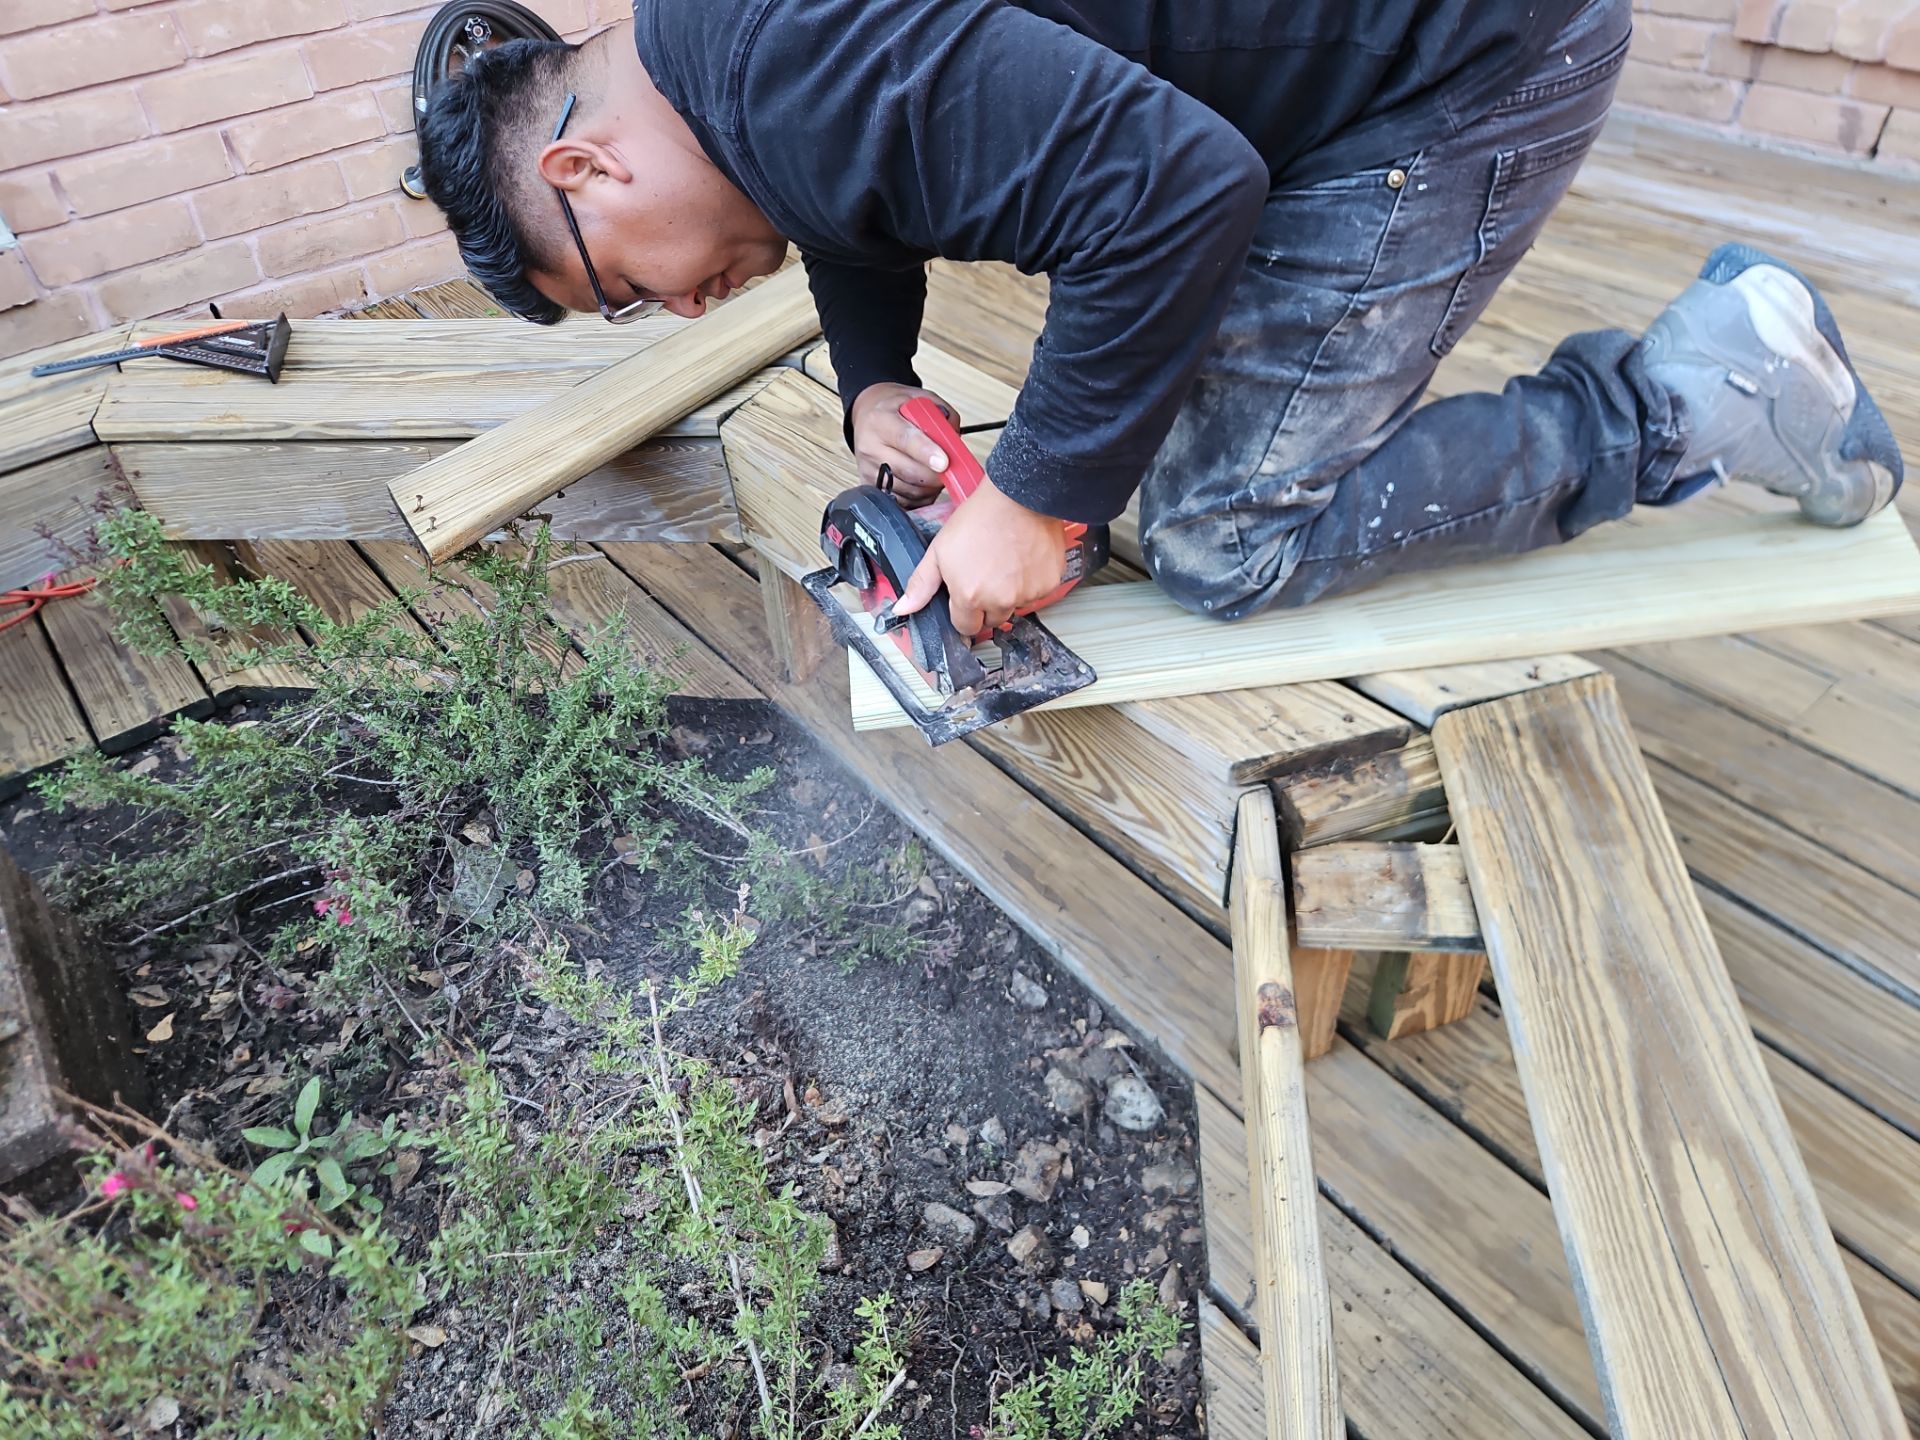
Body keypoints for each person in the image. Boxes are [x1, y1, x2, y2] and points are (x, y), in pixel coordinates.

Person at [416, 0, 1903, 641]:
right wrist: (876, 379)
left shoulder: (802, 86)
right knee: (1133, 457)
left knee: (1218, 539)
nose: (680, 303)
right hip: (1319, 74)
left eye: (621, 286)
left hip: (1458, 61)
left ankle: (1696, 399)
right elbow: (846, 193)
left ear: (584, 168)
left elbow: (1179, 195)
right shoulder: (730, 52)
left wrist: (1045, 499)